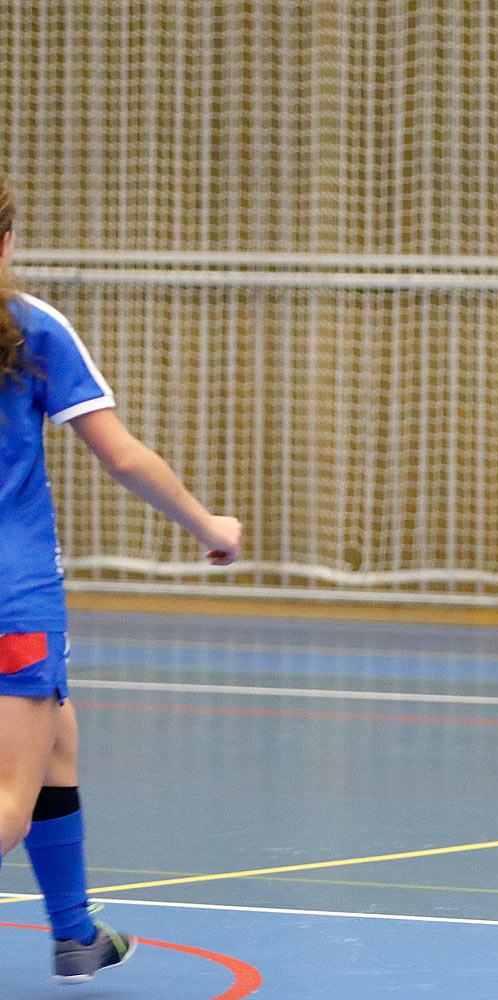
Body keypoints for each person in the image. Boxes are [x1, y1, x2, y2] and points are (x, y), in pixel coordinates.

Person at [0, 175, 243, 981]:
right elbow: (121, 456)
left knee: (55, 739)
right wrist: (208, 526)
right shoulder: (28, 327)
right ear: (5, 242)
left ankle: (76, 935)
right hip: (12, 597)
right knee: (9, 796)